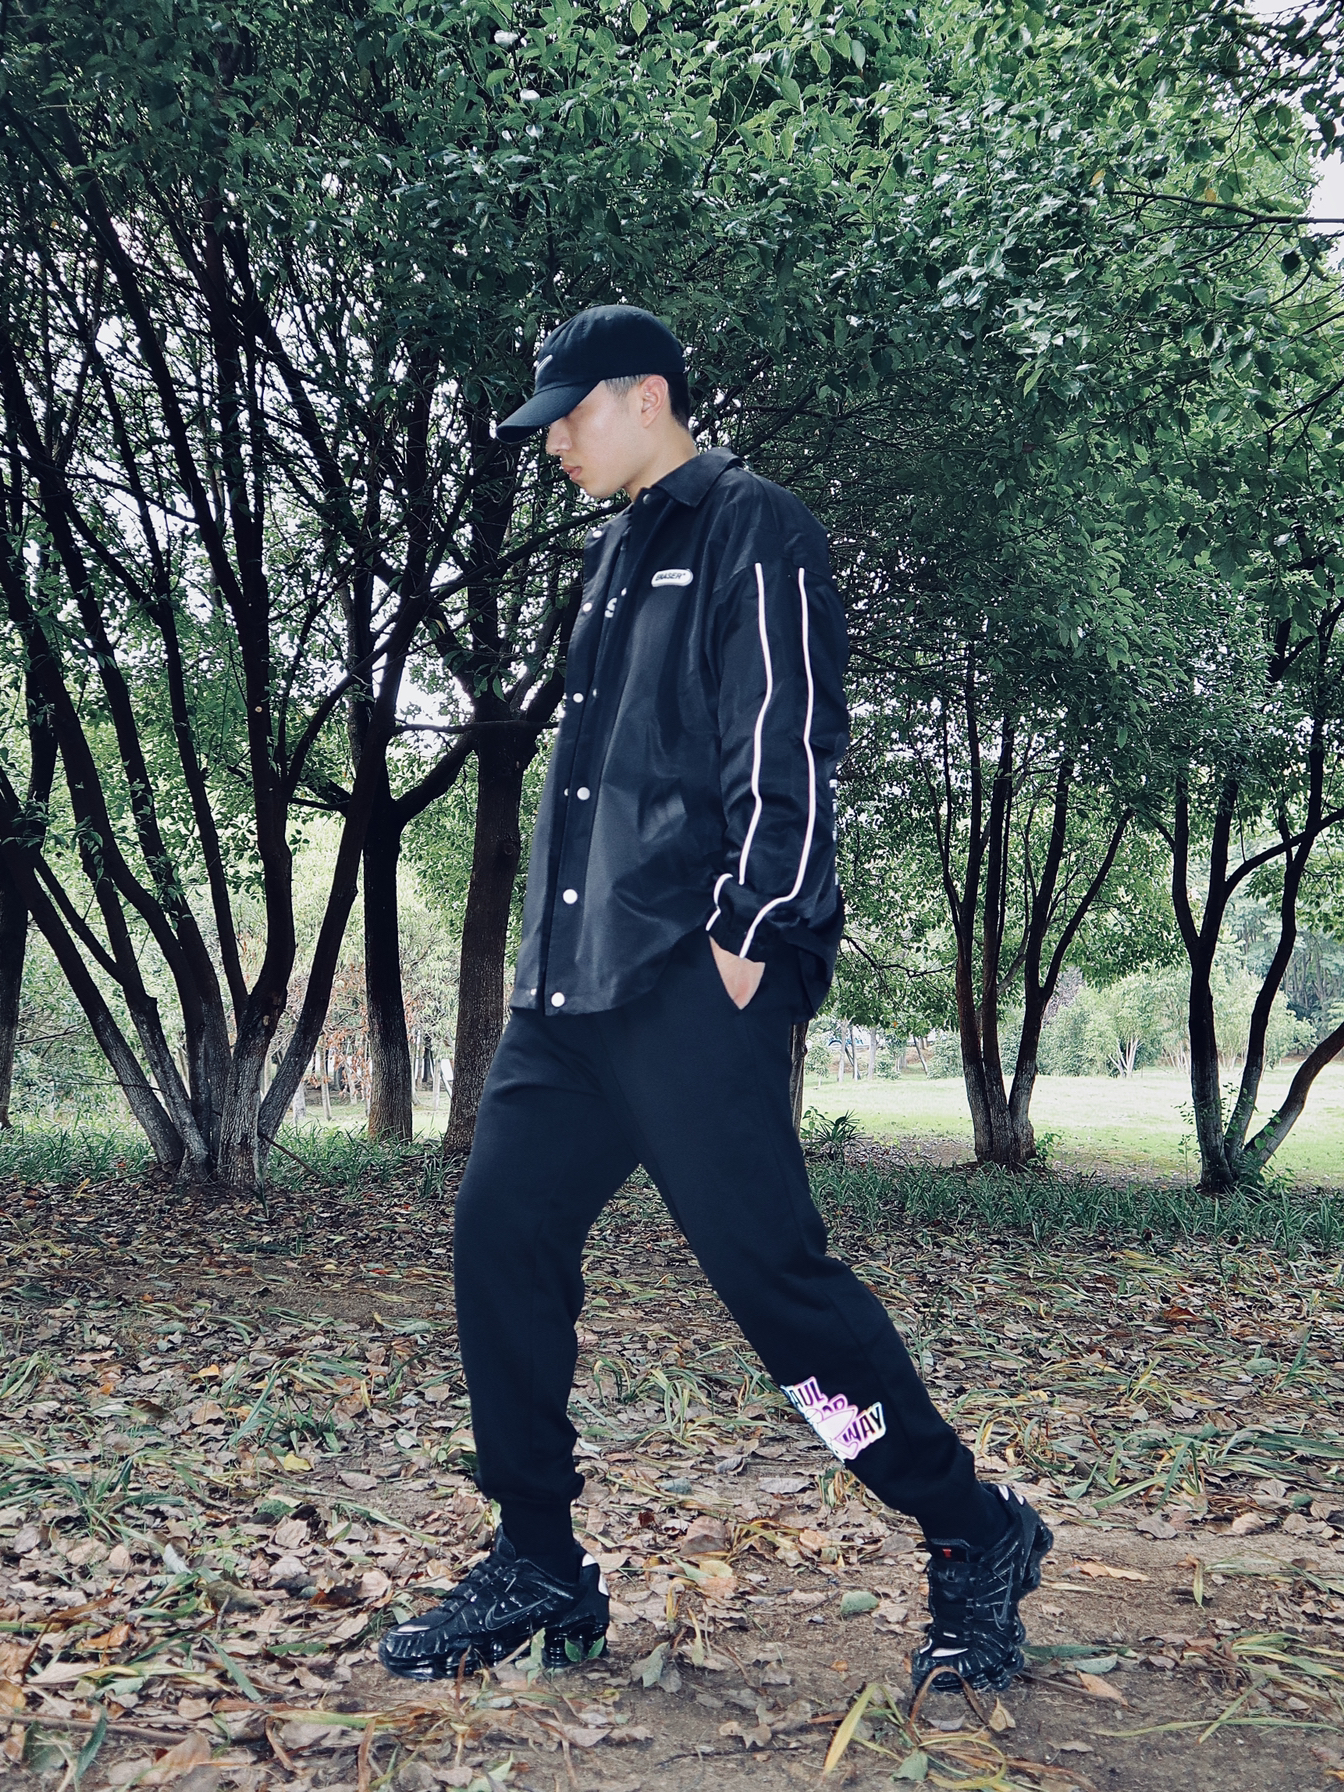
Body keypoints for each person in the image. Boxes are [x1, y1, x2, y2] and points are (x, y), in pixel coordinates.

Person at [378, 305, 1052, 1692]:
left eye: (570, 414)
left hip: (695, 977)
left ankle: (971, 1529)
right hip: (572, 997)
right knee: (499, 1233)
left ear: (644, 397)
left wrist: (752, 931)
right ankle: (540, 1564)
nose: (553, 442)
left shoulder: (757, 528)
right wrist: (544, 966)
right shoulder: (613, 553)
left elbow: (788, 736)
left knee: (776, 1294)